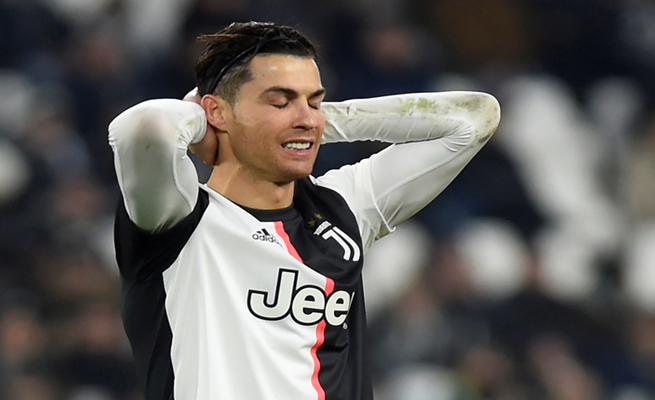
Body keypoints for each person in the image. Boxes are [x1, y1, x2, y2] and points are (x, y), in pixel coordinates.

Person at [108, 21, 500, 400]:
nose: (307, 117)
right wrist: (201, 118)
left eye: (314, 101)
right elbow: (145, 128)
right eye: (280, 101)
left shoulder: (342, 208)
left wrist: (315, 123)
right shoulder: (177, 220)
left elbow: (473, 118)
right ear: (218, 112)